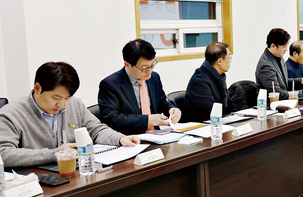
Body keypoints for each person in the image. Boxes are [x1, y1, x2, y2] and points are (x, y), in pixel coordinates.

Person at [0, 62, 140, 168]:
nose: (61, 104)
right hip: (37, 182)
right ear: (37, 88)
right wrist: (55, 154)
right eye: (56, 98)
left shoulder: (75, 104)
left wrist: (120, 138)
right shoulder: (10, 115)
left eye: (67, 98)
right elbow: (4, 154)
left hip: (74, 174)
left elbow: (96, 130)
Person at [98, 39, 181, 135]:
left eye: (152, 65)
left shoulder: (154, 77)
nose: (149, 71)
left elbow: (161, 102)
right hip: (129, 137)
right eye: (144, 68)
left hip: (157, 135)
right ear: (127, 64)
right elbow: (112, 118)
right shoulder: (110, 84)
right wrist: (147, 120)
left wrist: (171, 109)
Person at [255, 28, 303, 100]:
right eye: (284, 46)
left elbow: (284, 83)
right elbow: (276, 93)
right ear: (273, 46)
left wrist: (301, 81)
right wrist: (302, 93)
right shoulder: (265, 65)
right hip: (271, 104)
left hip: (284, 102)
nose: (286, 50)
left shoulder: (279, 57)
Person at [184, 41, 232, 122]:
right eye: (228, 58)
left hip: (218, 123)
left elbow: (229, 103)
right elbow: (212, 112)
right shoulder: (199, 82)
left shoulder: (219, 76)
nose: (230, 61)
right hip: (203, 126)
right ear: (220, 61)